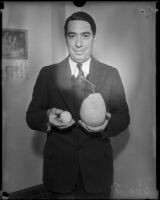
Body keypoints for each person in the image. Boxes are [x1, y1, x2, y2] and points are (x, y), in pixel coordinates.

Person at [26, 11, 130, 199]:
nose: (79, 43)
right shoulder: (48, 74)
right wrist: (47, 116)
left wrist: (107, 125)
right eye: (72, 36)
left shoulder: (111, 74)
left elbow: (123, 116)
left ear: (93, 37)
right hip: (59, 171)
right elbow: (32, 116)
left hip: (98, 173)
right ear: (65, 39)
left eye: (85, 35)